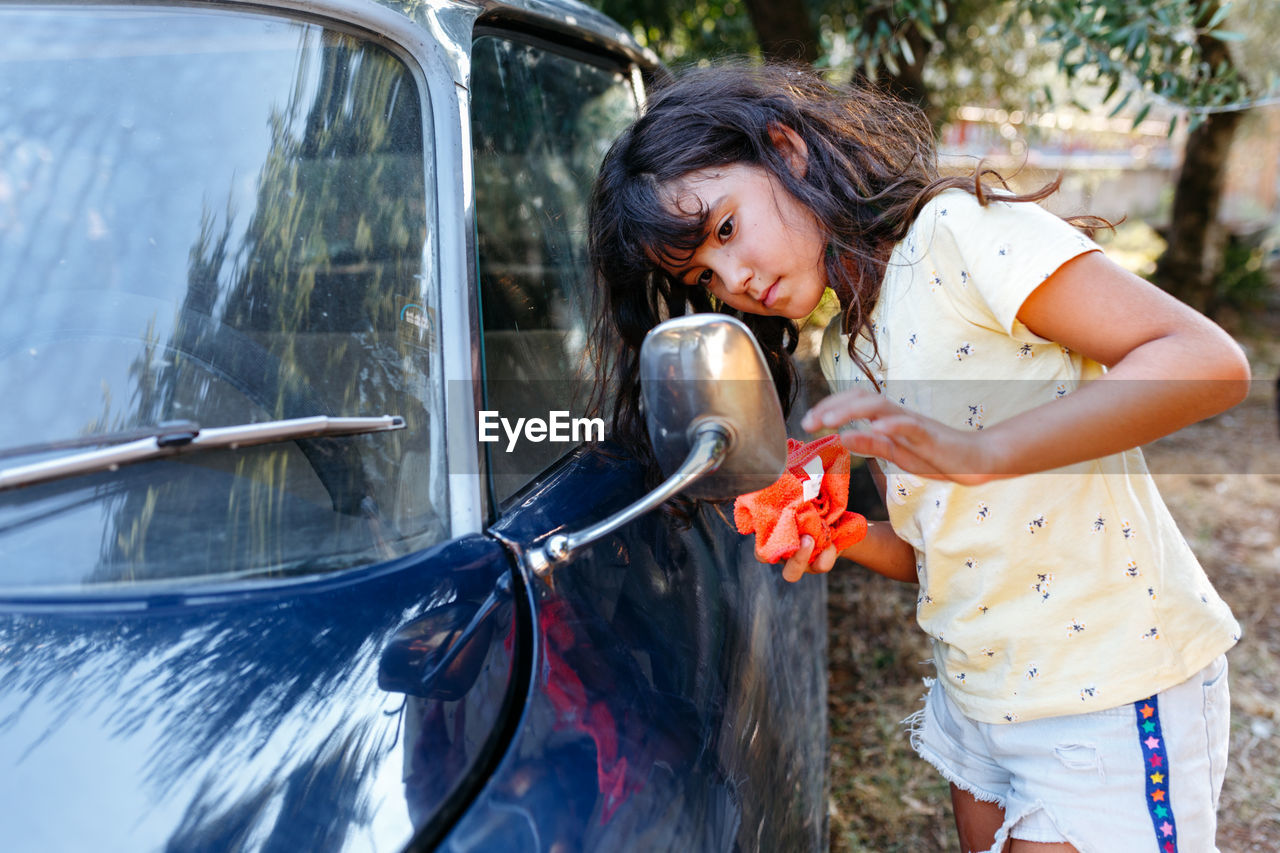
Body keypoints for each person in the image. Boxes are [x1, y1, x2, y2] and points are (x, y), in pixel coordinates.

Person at [587, 63, 1251, 853]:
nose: (734, 280)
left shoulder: (957, 235)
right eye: (702, 274)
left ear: (787, 151)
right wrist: (838, 530)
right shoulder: (851, 341)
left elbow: (1208, 361)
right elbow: (945, 553)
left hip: (1108, 686)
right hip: (980, 699)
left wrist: (980, 451)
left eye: (725, 229)